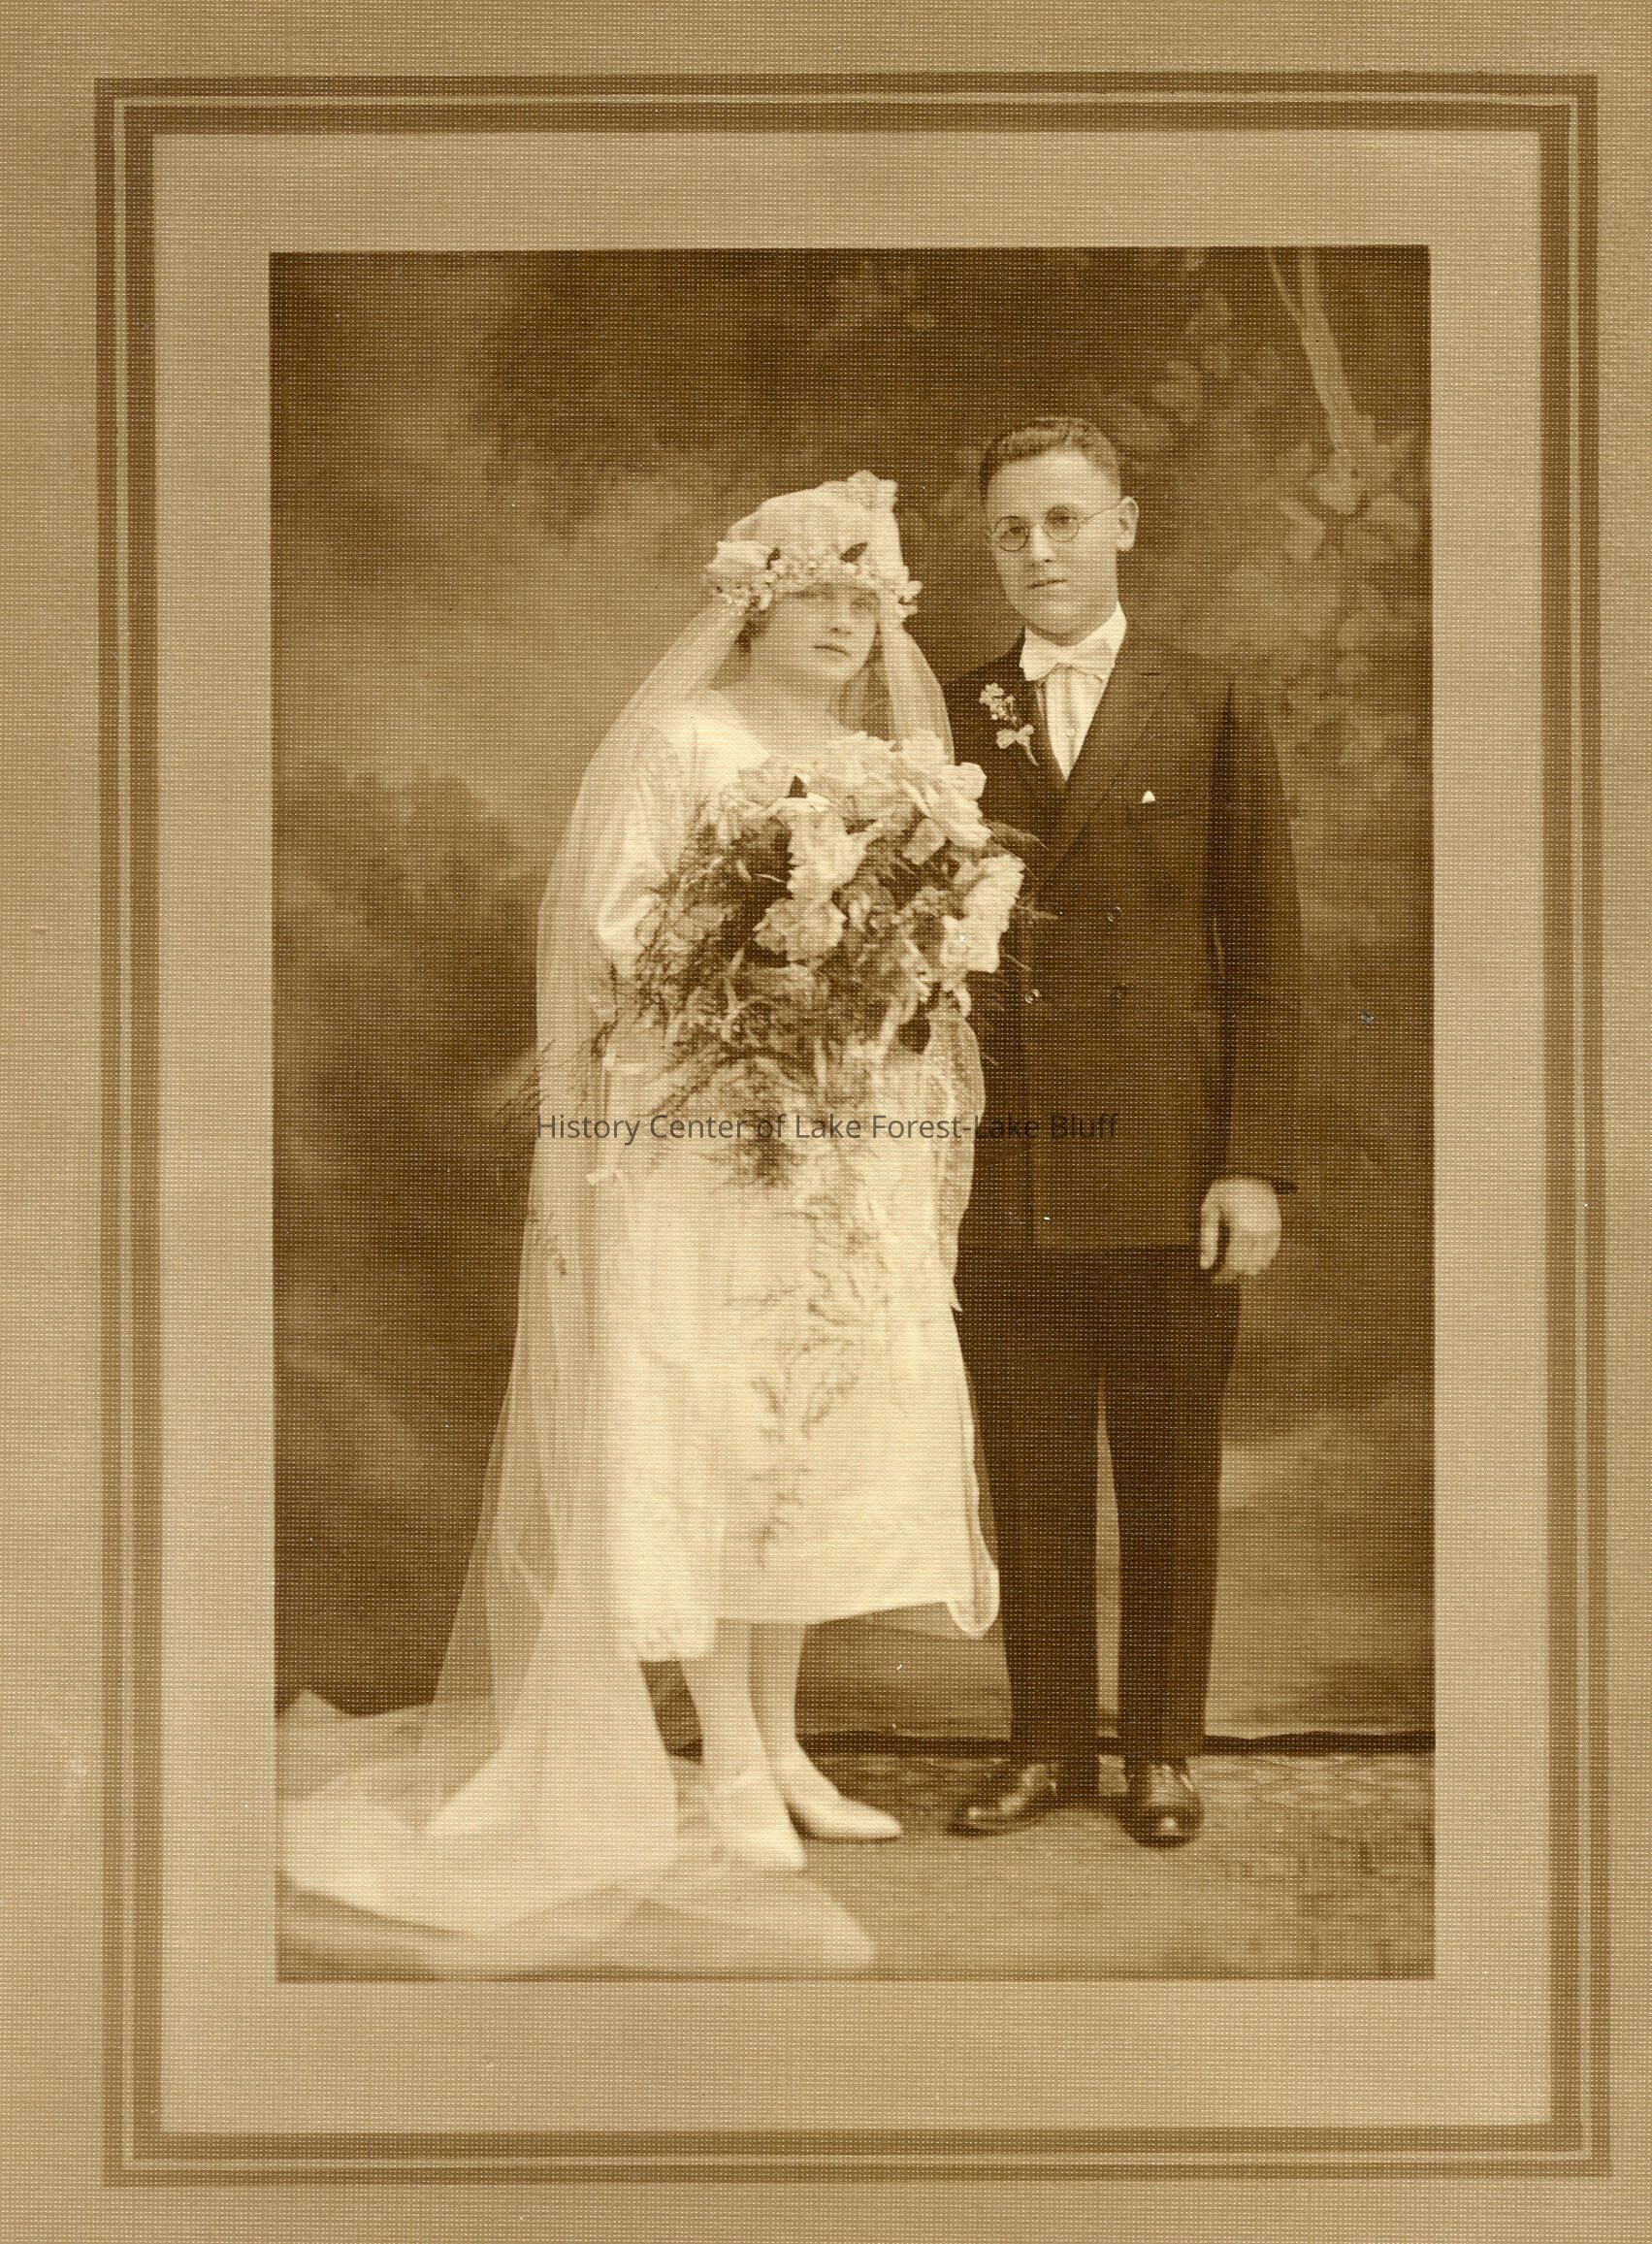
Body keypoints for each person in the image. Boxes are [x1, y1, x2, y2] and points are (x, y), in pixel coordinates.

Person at [278, 472, 997, 1977]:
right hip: (708, 1145)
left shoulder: (883, 765)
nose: (843, 624)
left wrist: (874, 987)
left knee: (809, 1435)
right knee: (716, 1430)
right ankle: (725, 1751)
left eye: (864, 601)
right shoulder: (687, 743)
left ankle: (785, 1742)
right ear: (757, 604)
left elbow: (923, 971)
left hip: (838, 1149)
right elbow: (622, 935)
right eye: (817, 595)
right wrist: (772, 983)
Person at [943, 417, 1302, 1846]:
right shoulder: (953, 715)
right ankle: (1044, 1745)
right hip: (1009, 1167)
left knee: (1165, 1474)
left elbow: (1263, 950)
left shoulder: (1206, 700)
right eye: (1012, 529)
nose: (1039, 551)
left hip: (1165, 1162)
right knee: (1029, 1475)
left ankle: (1159, 1750)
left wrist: (1251, 1163)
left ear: (1124, 525)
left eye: (1065, 520)